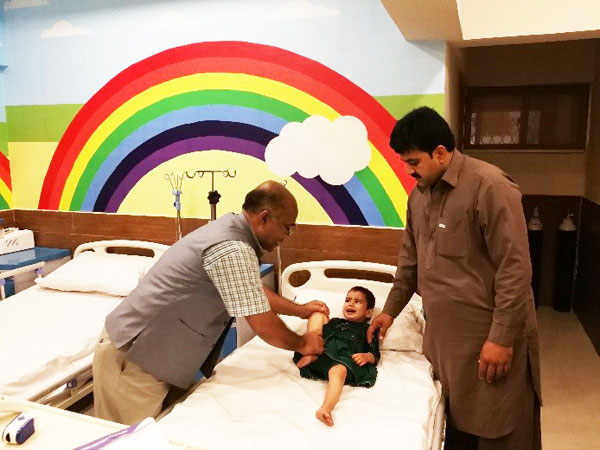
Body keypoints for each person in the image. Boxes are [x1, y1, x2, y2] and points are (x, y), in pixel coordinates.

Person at [367, 107, 541, 450]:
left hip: (487, 337)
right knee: (454, 427)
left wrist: (502, 338)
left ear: (440, 153)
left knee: (499, 427)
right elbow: (409, 264)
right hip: (444, 342)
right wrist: (389, 311)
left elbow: (515, 268)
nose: (408, 171)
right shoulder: (418, 197)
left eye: (414, 162)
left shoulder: (489, 186)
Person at [93, 180, 328, 425]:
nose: (287, 236)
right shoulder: (232, 248)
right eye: (287, 228)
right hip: (135, 357)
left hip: (157, 355)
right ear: (265, 217)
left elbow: (248, 289)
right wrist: (304, 343)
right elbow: (262, 323)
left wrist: (300, 310)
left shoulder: (229, 229)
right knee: (126, 439)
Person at [293, 286, 380, 427]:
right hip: (322, 353)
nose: (351, 304)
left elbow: (375, 352)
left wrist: (367, 356)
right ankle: (311, 350)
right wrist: (320, 314)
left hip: (344, 360)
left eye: (357, 302)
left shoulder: (368, 330)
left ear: (369, 312)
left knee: (338, 371)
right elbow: (322, 329)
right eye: (347, 300)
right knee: (317, 315)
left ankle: (325, 408)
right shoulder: (335, 322)